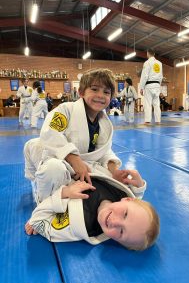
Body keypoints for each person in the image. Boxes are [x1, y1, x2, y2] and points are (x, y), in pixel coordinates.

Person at [23, 68, 123, 202]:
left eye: (106, 92)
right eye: (94, 89)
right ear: (81, 92)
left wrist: (114, 170)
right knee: (53, 169)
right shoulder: (66, 110)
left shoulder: (103, 123)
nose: (100, 95)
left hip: (84, 167)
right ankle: (44, 203)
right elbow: (50, 132)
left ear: (110, 98)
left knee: (121, 186)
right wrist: (74, 159)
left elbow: (103, 151)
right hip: (60, 161)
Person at [25, 168, 160, 251]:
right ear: (127, 199)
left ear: (116, 241)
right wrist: (138, 187)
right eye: (125, 214)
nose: (115, 222)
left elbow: (38, 220)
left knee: (52, 167)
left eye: (121, 232)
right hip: (77, 160)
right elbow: (135, 202)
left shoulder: (81, 226)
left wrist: (65, 192)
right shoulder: (120, 194)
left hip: (54, 178)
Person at [140, 49, 163, 125]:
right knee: (157, 104)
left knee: (148, 103)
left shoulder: (147, 63)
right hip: (157, 85)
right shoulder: (159, 63)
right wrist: (158, 85)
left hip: (149, 85)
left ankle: (147, 120)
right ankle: (158, 120)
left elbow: (144, 76)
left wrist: (141, 87)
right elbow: (161, 76)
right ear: (154, 54)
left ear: (148, 54)